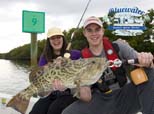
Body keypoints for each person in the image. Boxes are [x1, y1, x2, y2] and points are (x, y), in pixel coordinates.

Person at [62, 16, 154, 114]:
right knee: (68, 112)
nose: (94, 34)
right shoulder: (82, 60)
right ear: (85, 33)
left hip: (125, 95)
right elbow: (87, 97)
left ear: (103, 31)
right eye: (89, 30)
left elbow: (149, 64)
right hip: (102, 99)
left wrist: (146, 59)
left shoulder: (119, 46)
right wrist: (69, 83)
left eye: (97, 29)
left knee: (150, 71)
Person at [29, 27, 81, 114]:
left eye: (58, 37)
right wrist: (52, 65)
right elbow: (40, 75)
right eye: (53, 38)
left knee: (53, 110)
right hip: (50, 93)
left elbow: (85, 66)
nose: (56, 40)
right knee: (36, 111)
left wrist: (69, 62)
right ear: (49, 41)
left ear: (63, 39)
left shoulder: (76, 54)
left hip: (69, 93)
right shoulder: (44, 57)